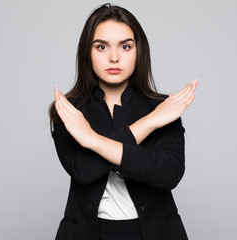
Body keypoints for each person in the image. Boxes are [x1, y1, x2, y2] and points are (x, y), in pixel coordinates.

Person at [49, 3, 198, 240]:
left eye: (125, 46)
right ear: (87, 52)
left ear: (139, 51)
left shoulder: (162, 108)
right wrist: (149, 123)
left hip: (156, 232)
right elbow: (83, 171)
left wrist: (92, 140)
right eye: (101, 47)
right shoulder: (69, 110)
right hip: (87, 233)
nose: (114, 57)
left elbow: (168, 174)